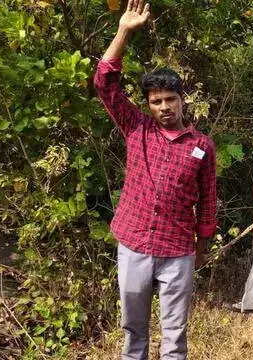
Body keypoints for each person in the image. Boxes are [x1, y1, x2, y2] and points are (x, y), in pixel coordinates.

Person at [93, 1, 217, 358]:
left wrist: (204, 244)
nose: (164, 107)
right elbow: (104, 81)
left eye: (170, 99)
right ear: (148, 104)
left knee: (175, 334)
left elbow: (208, 199)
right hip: (133, 243)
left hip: (178, 249)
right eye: (156, 101)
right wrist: (124, 31)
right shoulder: (137, 128)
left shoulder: (202, 146)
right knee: (133, 330)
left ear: (182, 100)